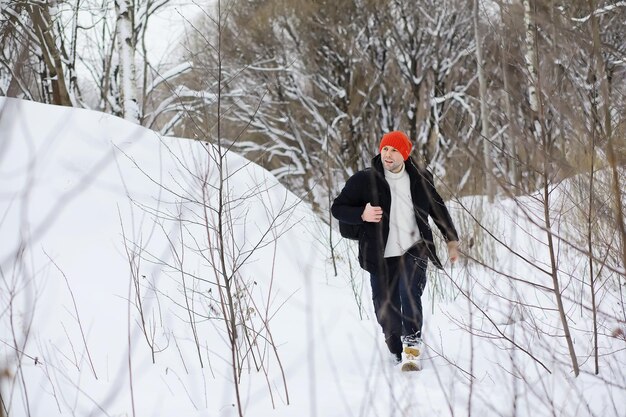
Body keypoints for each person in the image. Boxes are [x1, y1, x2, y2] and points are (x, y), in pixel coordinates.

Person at [331, 131, 459, 364]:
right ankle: (396, 344)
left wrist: (451, 240)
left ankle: (412, 350)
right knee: (386, 311)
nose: (387, 154)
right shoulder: (364, 180)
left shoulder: (420, 178)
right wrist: (362, 213)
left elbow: (437, 207)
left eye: (394, 150)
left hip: (414, 248)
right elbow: (337, 208)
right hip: (380, 255)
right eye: (385, 149)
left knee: (409, 293)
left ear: (405, 154)